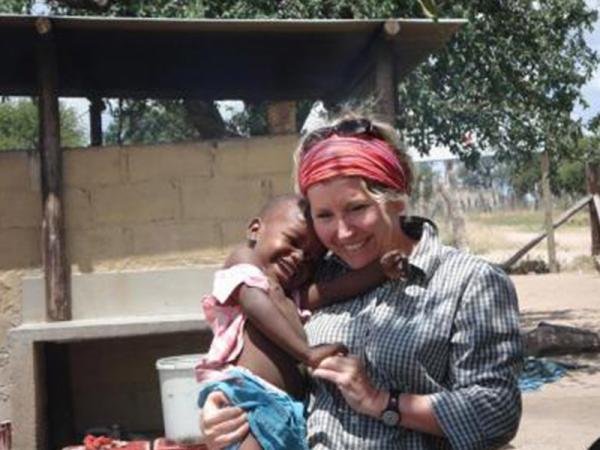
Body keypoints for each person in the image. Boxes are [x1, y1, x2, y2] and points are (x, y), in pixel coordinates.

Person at [201, 115, 523, 450]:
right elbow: (260, 345)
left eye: (357, 208)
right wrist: (224, 407)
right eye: (324, 215)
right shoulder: (314, 274)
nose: (342, 232)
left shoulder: (469, 283)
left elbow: (497, 411)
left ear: (396, 201)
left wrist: (382, 401)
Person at [196, 194, 387, 450]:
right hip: (249, 398)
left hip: (290, 411)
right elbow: (254, 304)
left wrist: (381, 271)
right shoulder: (245, 263)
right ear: (255, 230)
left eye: (310, 259)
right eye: (293, 241)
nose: (298, 257)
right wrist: (307, 353)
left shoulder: (292, 296)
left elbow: (333, 290)